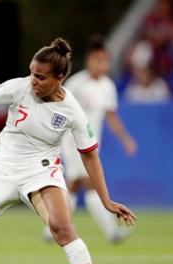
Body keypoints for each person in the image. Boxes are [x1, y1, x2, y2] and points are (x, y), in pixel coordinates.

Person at [0, 38, 137, 264]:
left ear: (59, 79)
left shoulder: (72, 110)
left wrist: (106, 200)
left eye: (40, 77)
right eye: (32, 73)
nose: (33, 81)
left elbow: (89, 155)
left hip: (41, 175)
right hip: (2, 174)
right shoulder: (19, 87)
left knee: (63, 229)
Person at [42, 36, 138, 244]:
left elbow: (111, 115)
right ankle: (111, 232)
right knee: (90, 184)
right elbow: (57, 107)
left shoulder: (108, 86)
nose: (101, 64)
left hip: (92, 143)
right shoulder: (76, 83)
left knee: (75, 185)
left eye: (105, 60)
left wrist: (125, 138)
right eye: (97, 59)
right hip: (72, 140)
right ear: (89, 60)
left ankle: (52, 228)